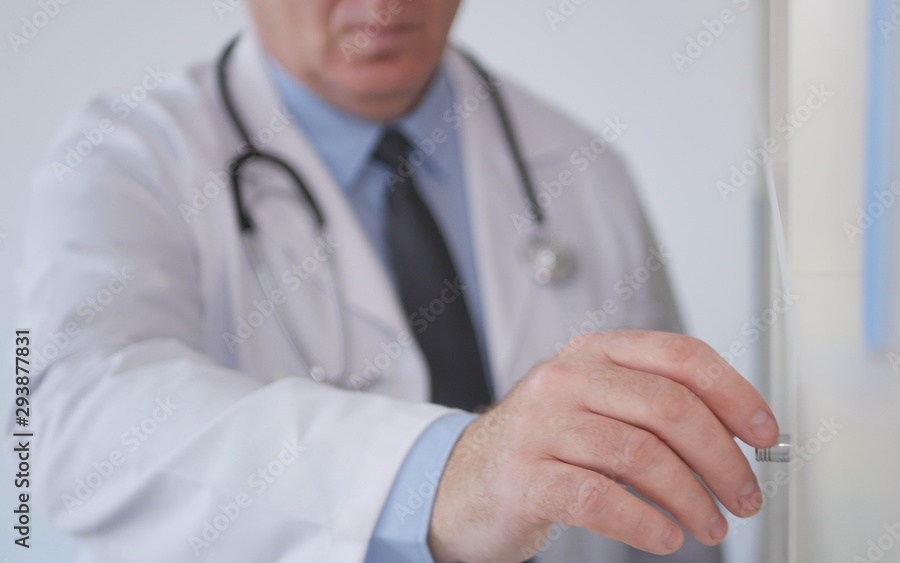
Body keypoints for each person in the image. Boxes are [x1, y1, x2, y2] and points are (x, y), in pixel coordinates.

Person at [14, 1, 777, 561]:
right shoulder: (127, 161)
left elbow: (664, 494)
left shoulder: (583, 171)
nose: (385, 6)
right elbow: (76, 426)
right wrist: (448, 472)